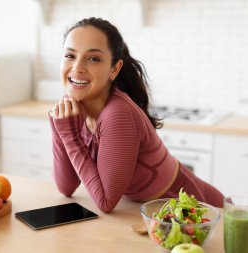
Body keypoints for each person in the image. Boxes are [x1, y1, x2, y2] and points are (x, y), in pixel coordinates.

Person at [48, 17, 224, 213]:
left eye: (93, 58)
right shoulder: (71, 106)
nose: (77, 67)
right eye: (70, 56)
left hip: (197, 208)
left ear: (114, 69)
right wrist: (60, 129)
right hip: (153, 214)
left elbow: (106, 202)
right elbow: (66, 187)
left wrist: (69, 136)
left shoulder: (118, 114)